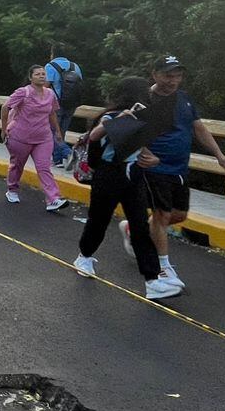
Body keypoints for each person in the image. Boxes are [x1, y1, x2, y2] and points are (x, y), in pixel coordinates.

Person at [130, 55, 225, 290]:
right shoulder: (143, 100)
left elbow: (198, 128)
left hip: (179, 167)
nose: (173, 81)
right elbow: (125, 130)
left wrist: (219, 155)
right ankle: (162, 268)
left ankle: (134, 230)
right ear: (155, 74)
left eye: (178, 76)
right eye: (168, 75)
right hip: (154, 168)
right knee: (162, 216)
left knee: (179, 215)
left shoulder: (184, 99)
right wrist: (143, 150)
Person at [71, 77, 175, 297]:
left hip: (134, 174)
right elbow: (94, 137)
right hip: (109, 174)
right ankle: (84, 256)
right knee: (99, 221)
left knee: (140, 226)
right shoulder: (112, 115)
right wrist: (115, 121)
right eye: (145, 91)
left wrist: (153, 159)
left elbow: (138, 146)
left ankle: (152, 280)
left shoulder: (143, 117)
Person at [0, 65, 67, 211]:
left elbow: (52, 113)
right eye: (38, 74)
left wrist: (57, 132)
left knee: (44, 168)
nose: (42, 76)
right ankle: (12, 190)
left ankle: (53, 199)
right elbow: (5, 107)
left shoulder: (50, 94)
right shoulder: (23, 92)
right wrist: (4, 129)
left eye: (43, 74)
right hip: (20, 136)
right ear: (31, 77)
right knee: (17, 165)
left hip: (43, 137)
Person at [44, 54, 84, 167]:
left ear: (53, 54)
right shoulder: (75, 66)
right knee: (62, 131)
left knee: (52, 131)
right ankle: (59, 159)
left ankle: (67, 154)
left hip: (56, 104)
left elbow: (46, 86)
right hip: (71, 104)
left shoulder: (50, 66)